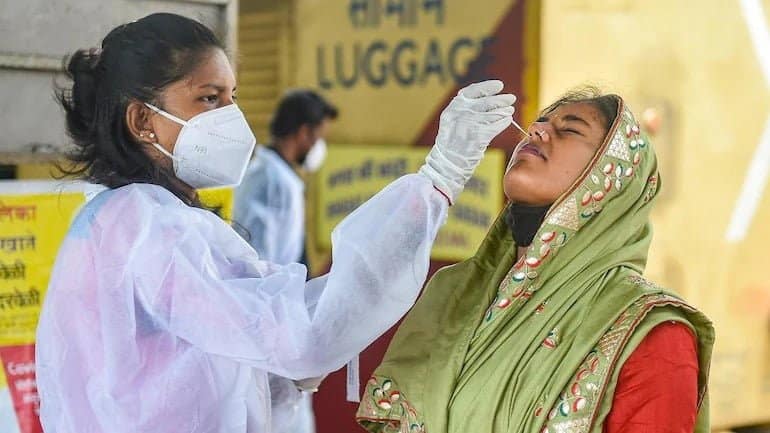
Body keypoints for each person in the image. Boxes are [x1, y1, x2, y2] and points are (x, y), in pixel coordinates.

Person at [34, 13, 515, 433]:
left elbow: (184, 365)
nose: (232, 117)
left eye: (233, 97)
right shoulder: (153, 227)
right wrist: (440, 176)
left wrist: (279, 371)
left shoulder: (110, 217)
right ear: (142, 120)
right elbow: (303, 334)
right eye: (209, 99)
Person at [357, 89, 715, 433]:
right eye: (539, 122)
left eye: (570, 129)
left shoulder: (649, 332)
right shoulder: (453, 295)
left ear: (612, 176)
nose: (537, 131)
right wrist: (438, 174)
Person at [233, 91, 338, 433]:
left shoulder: (274, 175)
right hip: (272, 331)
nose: (319, 145)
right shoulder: (273, 182)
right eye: (319, 135)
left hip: (278, 330)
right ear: (305, 132)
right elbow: (261, 264)